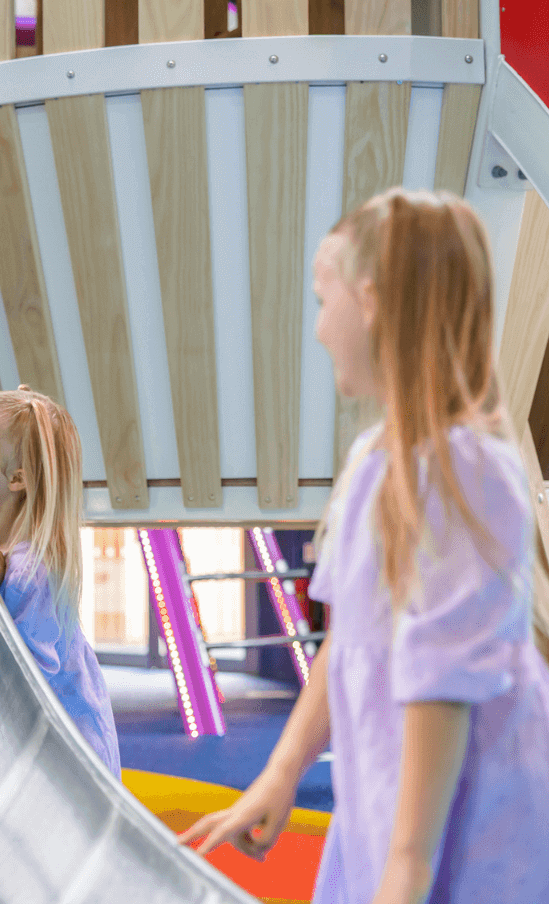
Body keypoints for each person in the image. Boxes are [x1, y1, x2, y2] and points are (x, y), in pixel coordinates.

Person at [180, 189, 549, 904]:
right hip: (388, 802)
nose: (319, 330)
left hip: (464, 834)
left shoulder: (465, 476)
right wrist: (282, 771)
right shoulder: (377, 459)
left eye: (326, 301)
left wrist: (405, 875)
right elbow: (348, 635)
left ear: (374, 302)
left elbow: (444, 689)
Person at [0, 385, 121, 776]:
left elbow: (31, 674)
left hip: (67, 733)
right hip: (31, 730)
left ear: (17, 479)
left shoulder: (33, 572)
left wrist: (3, 590)